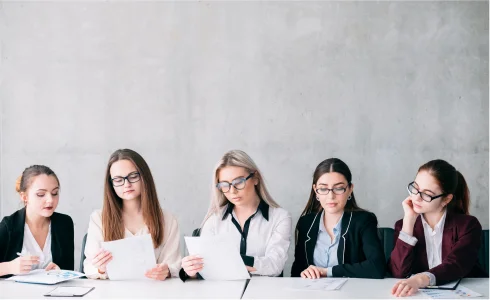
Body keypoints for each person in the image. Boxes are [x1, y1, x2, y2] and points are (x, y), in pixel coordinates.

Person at [180, 150, 291, 281]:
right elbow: (206, 267)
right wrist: (191, 270)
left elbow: (274, 265)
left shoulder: (279, 218)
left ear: (255, 178)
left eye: (238, 182)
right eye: (224, 185)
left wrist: (230, 260)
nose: (232, 191)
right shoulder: (214, 219)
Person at [389, 159, 487, 297]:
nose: (416, 197)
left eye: (427, 194)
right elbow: (398, 272)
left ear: (446, 199)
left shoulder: (467, 225)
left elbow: (456, 264)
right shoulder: (404, 225)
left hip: (467, 293)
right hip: (421, 296)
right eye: (415, 188)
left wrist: (420, 279)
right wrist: (408, 222)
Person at [83, 149, 181, 280]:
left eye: (133, 176)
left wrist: (167, 271)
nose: (127, 184)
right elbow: (89, 267)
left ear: (144, 177)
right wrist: (100, 269)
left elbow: (174, 265)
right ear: (111, 184)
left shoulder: (168, 220)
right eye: (118, 180)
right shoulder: (98, 219)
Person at [291, 158, 385, 279]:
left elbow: (377, 267)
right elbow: (297, 271)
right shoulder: (306, 223)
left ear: (350, 189)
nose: (331, 196)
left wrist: (327, 271)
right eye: (323, 189)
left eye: (339, 188)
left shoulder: (364, 221)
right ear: (316, 191)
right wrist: (304, 273)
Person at [0, 165, 74, 277]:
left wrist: (61, 272)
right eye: (41, 194)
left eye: (55, 193)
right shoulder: (9, 226)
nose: (50, 200)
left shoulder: (64, 223)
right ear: (24, 197)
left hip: (53, 293)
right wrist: (9, 267)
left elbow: (68, 270)